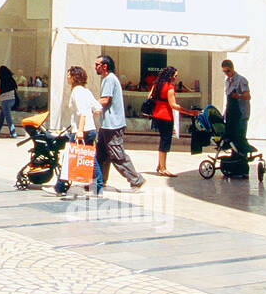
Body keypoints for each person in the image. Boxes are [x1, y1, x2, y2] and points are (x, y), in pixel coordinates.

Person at [93, 56, 143, 190]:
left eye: (97, 64)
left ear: (104, 66)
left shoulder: (109, 79)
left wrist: (89, 104)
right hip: (106, 125)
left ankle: (136, 180)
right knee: (101, 155)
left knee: (117, 155)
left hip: (112, 125)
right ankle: (99, 181)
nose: (95, 67)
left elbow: (105, 100)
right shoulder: (108, 79)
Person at [148, 65, 198, 176]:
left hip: (156, 115)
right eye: (175, 76)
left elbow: (149, 96)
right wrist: (190, 112)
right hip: (166, 116)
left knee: (163, 139)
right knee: (165, 141)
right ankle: (163, 168)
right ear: (170, 76)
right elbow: (173, 105)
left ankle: (159, 165)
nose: (176, 78)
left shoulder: (156, 85)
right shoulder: (170, 87)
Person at [66, 66, 105, 196]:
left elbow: (82, 112)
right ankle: (98, 187)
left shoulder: (77, 91)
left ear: (74, 77)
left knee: (70, 158)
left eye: (69, 75)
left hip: (80, 130)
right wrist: (91, 117)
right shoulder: (86, 91)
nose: (67, 77)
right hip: (91, 129)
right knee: (90, 159)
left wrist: (80, 130)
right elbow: (98, 108)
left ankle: (60, 187)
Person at [219, 60, 255, 177]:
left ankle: (243, 169)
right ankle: (234, 167)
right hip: (231, 115)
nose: (226, 73)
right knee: (232, 140)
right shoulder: (227, 81)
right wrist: (225, 113)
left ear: (232, 68)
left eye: (228, 71)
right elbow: (228, 99)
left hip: (241, 114)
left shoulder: (241, 80)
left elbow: (248, 96)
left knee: (240, 139)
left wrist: (238, 96)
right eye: (224, 71)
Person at [0, 65, 19, 138]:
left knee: (8, 118)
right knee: (2, 116)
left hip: (5, 101)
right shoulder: (11, 79)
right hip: (12, 100)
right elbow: (16, 87)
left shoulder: (1, 80)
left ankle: (13, 133)